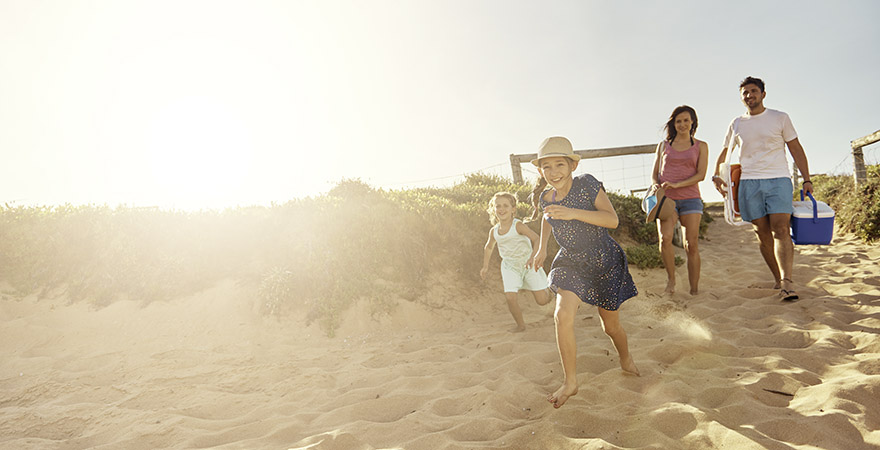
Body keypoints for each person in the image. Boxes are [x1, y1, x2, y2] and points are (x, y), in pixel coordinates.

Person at [529, 136, 640, 409]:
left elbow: (611, 220)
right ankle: (571, 382)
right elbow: (548, 216)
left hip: (603, 260)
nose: (553, 172)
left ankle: (625, 358)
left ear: (572, 166)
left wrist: (573, 213)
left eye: (559, 165)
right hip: (571, 262)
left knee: (610, 327)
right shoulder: (546, 197)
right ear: (541, 170)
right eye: (547, 167)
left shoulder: (587, 184)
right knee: (562, 313)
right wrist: (542, 247)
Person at [711, 76, 812, 301]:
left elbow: (795, 148)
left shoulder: (780, 118)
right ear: (741, 97)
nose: (749, 95)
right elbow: (725, 152)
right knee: (761, 233)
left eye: (754, 91)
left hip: (778, 180)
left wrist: (806, 179)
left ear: (763, 94)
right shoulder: (736, 123)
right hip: (749, 182)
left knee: (781, 229)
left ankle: (787, 281)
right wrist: (716, 175)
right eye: (745, 92)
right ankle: (778, 278)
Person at [650, 105, 709, 295]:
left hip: (691, 198)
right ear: (673, 124)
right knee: (665, 238)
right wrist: (655, 186)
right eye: (678, 121)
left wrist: (678, 185)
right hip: (667, 200)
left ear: (693, 122)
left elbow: (701, 175)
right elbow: (655, 174)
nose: (682, 124)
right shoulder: (663, 146)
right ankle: (671, 280)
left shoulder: (701, 146)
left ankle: (694, 289)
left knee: (690, 244)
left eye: (686, 120)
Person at [480, 192, 551, 332]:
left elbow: (536, 239)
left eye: (505, 205)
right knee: (510, 297)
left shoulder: (518, 225)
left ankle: (552, 289)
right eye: (498, 206)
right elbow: (488, 247)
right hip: (509, 267)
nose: (501, 209)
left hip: (528, 264)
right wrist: (485, 267)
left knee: (542, 301)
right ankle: (520, 325)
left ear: (513, 209)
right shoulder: (494, 231)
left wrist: (533, 257)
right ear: (493, 209)